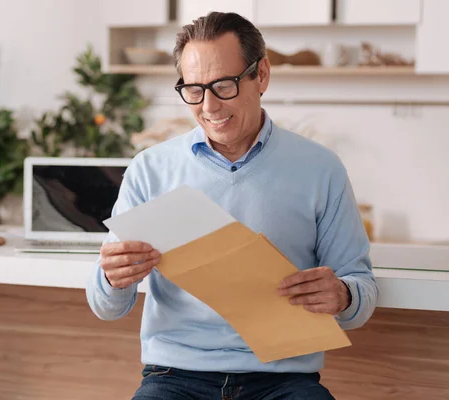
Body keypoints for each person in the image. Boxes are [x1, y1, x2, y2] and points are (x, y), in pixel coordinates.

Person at [85, 11, 379, 400]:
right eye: (193, 88)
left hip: (284, 380)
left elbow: (361, 291)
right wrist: (111, 278)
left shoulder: (320, 168)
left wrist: (344, 295)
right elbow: (107, 307)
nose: (209, 106)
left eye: (223, 85)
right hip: (175, 375)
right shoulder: (150, 169)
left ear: (262, 76)